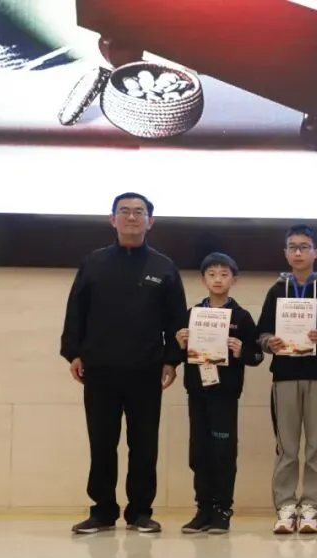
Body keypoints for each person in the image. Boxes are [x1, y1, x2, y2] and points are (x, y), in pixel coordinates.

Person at [60, 192, 187, 535]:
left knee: (144, 445)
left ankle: (140, 512)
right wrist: (74, 352)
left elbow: (176, 319)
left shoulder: (164, 266)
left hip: (146, 370)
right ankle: (102, 511)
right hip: (100, 369)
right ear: (112, 219)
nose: (132, 217)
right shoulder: (94, 262)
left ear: (151, 221)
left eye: (139, 212)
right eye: (125, 211)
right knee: (102, 443)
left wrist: (172, 360)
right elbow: (76, 311)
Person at [256, 225, 317, 535]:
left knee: (316, 447)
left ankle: (310, 507)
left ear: (316, 252)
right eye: (293, 247)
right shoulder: (276, 290)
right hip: (284, 377)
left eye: (304, 247)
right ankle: (285, 506)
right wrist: (269, 342)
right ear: (285, 253)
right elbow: (261, 333)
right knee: (287, 446)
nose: (298, 252)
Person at [174, 253, 264, 535]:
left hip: (224, 394)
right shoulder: (192, 314)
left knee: (223, 452)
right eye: (212, 274)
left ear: (234, 280)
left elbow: (257, 355)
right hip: (197, 391)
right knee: (199, 452)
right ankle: (203, 509)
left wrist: (241, 351)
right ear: (203, 280)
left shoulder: (241, 316)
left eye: (224, 274)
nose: (217, 279)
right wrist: (180, 343)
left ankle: (222, 509)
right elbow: (179, 354)